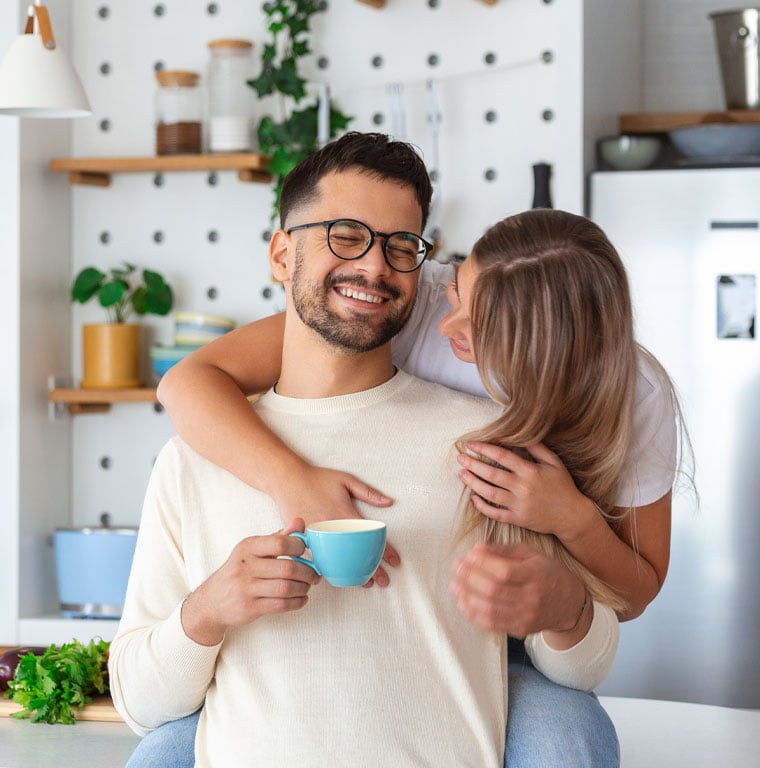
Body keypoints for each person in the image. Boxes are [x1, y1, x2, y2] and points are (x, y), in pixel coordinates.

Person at [111, 132, 620, 768]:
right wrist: (208, 612)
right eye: (346, 236)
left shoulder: (488, 444)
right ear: (280, 254)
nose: (376, 266)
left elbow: (583, 668)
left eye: (401, 247)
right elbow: (137, 701)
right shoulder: (193, 460)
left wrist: (565, 605)